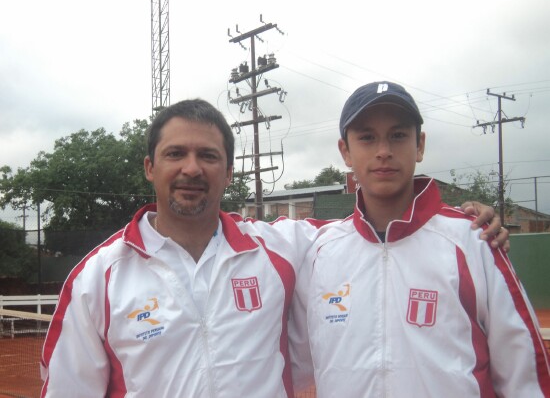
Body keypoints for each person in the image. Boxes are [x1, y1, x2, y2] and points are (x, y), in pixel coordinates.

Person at [40, 98, 508, 397]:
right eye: (175, 154)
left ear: (227, 170)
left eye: (208, 156)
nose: (191, 168)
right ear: (149, 166)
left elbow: (376, 231)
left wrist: (463, 217)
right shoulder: (97, 277)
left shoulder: (283, 247)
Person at [290, 82, 550, 397]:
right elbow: (295, 364)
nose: (383, 150)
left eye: (398, 135)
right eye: (367, 137)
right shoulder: (321, 251)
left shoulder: (474, 240)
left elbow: (527, 376)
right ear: (345, 151)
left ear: (420, 145)